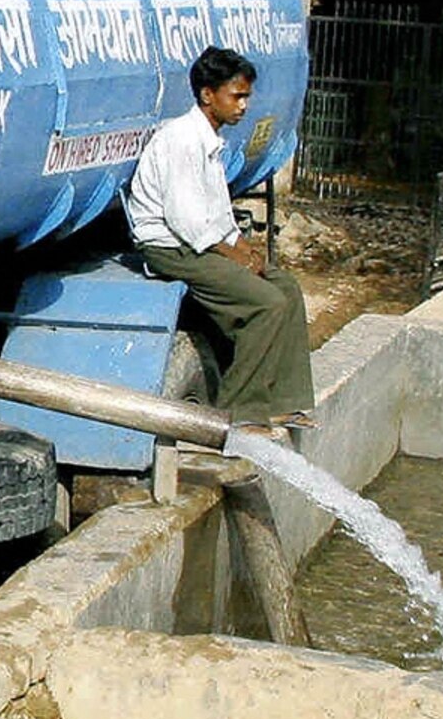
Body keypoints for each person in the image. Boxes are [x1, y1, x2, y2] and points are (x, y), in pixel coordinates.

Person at [123, 45, 316, 430]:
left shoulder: (210, 142)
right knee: (265, 304)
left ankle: (282, 400)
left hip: (199, 242)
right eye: (237, 96)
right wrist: (234, 256)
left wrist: (247, 250)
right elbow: (188, 222)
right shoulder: (181, 139)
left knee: (286, 287)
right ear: (208, 95)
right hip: (171, 247)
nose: (243, 106)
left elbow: (219, 216)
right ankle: (239, 412)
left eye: (246, 96)